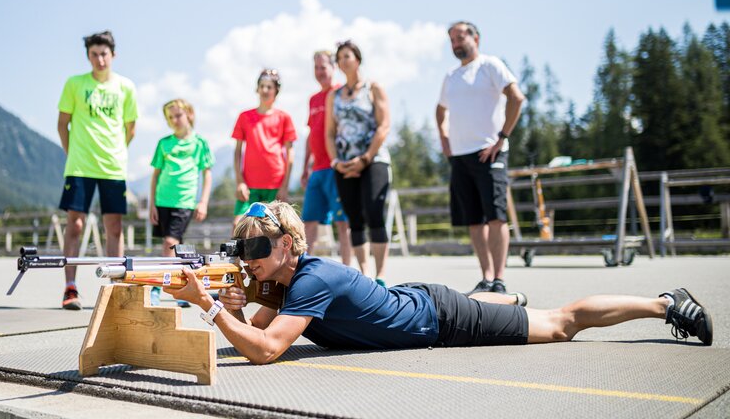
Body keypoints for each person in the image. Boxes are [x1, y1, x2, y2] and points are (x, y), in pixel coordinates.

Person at [165, 201, 714, 365]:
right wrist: (226, 302)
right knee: (508, 307)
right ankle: (504, 298)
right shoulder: (285, 288)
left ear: (286, 244)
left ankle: (665, 303)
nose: (250, 258)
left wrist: (208, 306)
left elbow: (264, 349)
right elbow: (256, 327)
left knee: (559, 325)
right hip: (421, 302)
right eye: (244, 250)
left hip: (441, 319)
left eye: (258, 247)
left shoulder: (313, 278)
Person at [436, 21, 525, 295]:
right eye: (452, 39)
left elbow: (516, 98)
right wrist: (446, 142)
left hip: (490, 151)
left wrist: (502, 136)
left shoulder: (491, 65)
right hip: (460, 157)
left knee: (496, 217)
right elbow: (440, 112)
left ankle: (500, 279)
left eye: (461, 37)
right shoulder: (451, 76)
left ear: (476, 38)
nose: (456, 43)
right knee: (474, 220)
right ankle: (486, 278)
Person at [57, 30, 138, 310]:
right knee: (75, 225)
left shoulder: (126, 87)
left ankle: (115, 289)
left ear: (113, 55)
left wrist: (115, 152)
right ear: (88, 56)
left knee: (114, 227)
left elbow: (131, 129)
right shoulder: (74, 84)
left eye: (104, 53)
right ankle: (70, 288)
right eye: (94, 54)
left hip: (113, 167)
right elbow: (62, 124)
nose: (100, 59)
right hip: (79, 166)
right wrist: (74, 154)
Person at [324, 40, 391, 285]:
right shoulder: (334, 96)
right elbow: (329, 133)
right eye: (339, 57)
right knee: (354, 218)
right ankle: (365, 273)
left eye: (347, 55)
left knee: (374, 212)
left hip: (373, 160)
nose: (343, 60)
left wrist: (365, 158)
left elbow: (384, 125)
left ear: (358, 59)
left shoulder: (373, 88)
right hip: (344, 163)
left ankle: (381, 273)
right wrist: (336, 162)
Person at [149, 98, 214, 307]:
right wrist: (152, 204)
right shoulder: (164, 143)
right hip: (162, 201)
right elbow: (155, 175)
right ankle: (185, 286)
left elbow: (207, 174)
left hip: (185, 202)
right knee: (171, 245)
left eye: (178, 115)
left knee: (170, 242)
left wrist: (203, 201)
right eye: (170, 117)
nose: (174, 120)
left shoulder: (200, 143)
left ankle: (159, 287)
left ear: (189, 115)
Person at [300, 51, 351, 265]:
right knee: (308, 220)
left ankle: (349, 269)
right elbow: (311, 134)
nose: (320, 72)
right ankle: (303, 268)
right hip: (317, 170)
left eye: (323, 67)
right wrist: (305, 167)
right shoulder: (313, 99)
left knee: (342, 221)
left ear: (333, 67)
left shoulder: (341, 93)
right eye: (316, 68)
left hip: (337, 166)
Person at [231, 69, 297, 226]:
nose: (265, 90)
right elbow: (237, 152)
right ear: (257, 88)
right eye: (262, 86)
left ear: (276, 90)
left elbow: (290, 153)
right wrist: (240, 182)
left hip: (275, 183)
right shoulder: (244, 116)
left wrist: (284, 186)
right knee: (239, 225)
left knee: (273, 228)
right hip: (249, 184)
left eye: (269, 87)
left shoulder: (284, 117)